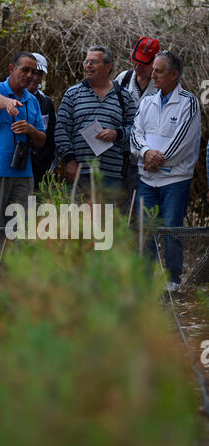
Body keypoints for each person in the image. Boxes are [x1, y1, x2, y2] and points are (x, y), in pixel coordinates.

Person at [0, 51, 46, 285]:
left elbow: (42, 139)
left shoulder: (32, 100)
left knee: (17, 230)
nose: (29, 75)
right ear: (11, 68)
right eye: (24, 69)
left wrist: (31, 130)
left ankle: (8, 284)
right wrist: (8, 103)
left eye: (33, 71)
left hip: (22, 173)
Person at [131, 50, 201, 292]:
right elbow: (135, 132)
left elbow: (184, 139)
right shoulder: (147, 100)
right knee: (146, 230)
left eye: (159, 71)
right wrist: (145, 153)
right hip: (147, 178)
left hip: (175, 178)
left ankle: (172, 281)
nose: (153, 75)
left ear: (174, 74)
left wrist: (159, 158)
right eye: (153, 70)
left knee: (172, 229)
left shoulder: (189, 102)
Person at [55, 46, 136, 202]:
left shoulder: (123, 96)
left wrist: (117, 133)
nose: (88, 65)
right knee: (78, 223)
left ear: (108, 66)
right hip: (80, 173)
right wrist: (70, 161)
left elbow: (135, 130)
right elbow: (61, 130)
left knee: (107, 225)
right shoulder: (72, 94)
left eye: (94, 62)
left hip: (112, 175)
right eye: (86, 62)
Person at [115, 36, 160, 199]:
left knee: (139, 210)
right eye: (135, 61)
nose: (138, 66)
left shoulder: (160, 86)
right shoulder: (123, 79)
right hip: (120, 157)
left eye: (143, 62)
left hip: (144, 161)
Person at [27, 53, 56, 189]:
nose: (34, 77)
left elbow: (50, 138)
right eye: (31, 72)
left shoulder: (46, 103)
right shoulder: (6, 96)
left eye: (39, 73)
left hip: (37, 171)